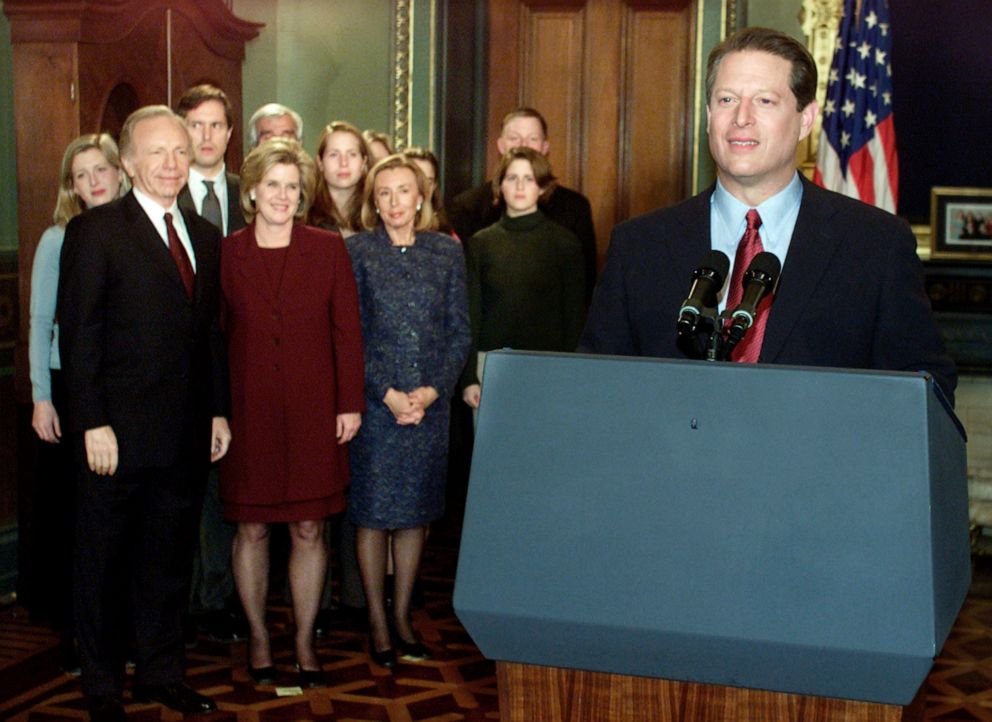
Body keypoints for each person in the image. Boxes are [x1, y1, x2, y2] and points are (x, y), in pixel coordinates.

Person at [579, 27, 956, 403]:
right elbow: (593, 387)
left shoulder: (876, 244)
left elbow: (924, 389)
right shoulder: (640, 244)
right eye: (727, 99)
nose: (742, 117)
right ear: (709, 116)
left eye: (764, 101)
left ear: (805, 119)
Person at [58, 106, 231, 722]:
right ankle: (101, 688)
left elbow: (208, 333)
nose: (170, 164)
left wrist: (217, 413)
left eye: (180, 152)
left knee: (167, 562)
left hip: (183, 436)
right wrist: (92, 422)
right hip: (116, 436)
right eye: (156, 153)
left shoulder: (204, 237)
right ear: (128, 163)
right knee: (103, 563)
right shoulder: (97, 232)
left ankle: (161, 674)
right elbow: (80, 336)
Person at [219, 138, 365, 688]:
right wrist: (217, 413)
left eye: (292, 187)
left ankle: (304, 639)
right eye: (273, 185)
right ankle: (259, 635)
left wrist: (349, 403)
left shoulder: (328, 248)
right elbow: (215, 337)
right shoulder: (228, 253)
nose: (283, 196)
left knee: (309, 528)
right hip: (248, 412)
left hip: (314, 412)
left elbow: (347, 333)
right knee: (252, 529)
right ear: (253, 191)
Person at [346, 155, 470, 669]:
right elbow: (349, 336)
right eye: (385, 194)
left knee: (416, 516)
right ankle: (377, 621)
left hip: (429, 407)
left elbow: (460, 330)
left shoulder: (446, 252)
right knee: (374, 517)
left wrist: (433, 391)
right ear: (373, 203)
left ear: (422, 198)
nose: (396, 203)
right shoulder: (355, 252)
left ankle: (402, 617)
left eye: (404, 192)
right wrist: (388, 394)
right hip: (377, 408)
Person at [28, 133, 128, 675]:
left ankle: (120, 628)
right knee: (78, 520)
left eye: (102, 169)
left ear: (119, 172)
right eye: (81, 173)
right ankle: (75, 632)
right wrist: (43, 397)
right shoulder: (56, 238)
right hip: (70, 390)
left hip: (123, 389)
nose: (94, 181)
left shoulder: (139, 232)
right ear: (71, 184)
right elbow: (42, 322)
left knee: (119, 518)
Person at [175, 82, 248, 646]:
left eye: (215, 125)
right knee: (185, 490)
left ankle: (220, 599)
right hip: (181, 368)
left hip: (245, 362)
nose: (206, 136)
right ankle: (185, 602)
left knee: (232, 487)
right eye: (195, 125)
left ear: (229, 132)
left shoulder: (251, 196)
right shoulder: (162, 197)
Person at [460, 147, 585, 409]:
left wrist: (574, 373)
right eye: (512, 178)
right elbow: (471, 313)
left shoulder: (565, 244)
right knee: (491, 448)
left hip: (550, 368)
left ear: (541, 188)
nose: (519, 186)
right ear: (499, 186)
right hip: (490, 367)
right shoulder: (480, 244)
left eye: (528, 179)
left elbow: (574, 317)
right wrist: (469, 378)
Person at [448, 107, 597, 302]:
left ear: (545, 147)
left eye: (532, 139)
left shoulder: (574, 206)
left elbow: (584, 283)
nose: (523, 145)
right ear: (500, 146)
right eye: (514, 138)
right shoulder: (468, 206)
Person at [310, 121, 368, 237]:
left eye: (352, 154)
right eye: (334, 154)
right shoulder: (305, 214)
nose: (343, 163)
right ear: (320, 162)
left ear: (363, 162)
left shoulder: (378, 212)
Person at [402, 146, 457, 237]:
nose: (422, 188)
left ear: (434, 186)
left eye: (428, 182)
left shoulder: (445, 236)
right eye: (416, 180)